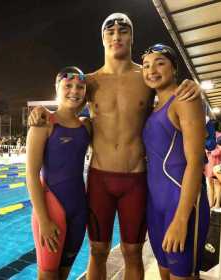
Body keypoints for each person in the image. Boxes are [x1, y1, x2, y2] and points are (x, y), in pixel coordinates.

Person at [28, 13, 203, 279]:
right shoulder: (89, 81)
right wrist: (41, 111)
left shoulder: (145, 77)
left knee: (133, 253)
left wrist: (194, 84)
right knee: (97, 251)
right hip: (100, 179)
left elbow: (172, 91)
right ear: (103, 38)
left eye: (123, 30)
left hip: (136, 179)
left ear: (132, 37)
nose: (117, 35)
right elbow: (67, 107)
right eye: (110, 31)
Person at [142, 43, 210, 279]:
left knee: (183, 275)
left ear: (174, 69)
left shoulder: (185, 99)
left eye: (160, 63)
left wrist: (181, 219)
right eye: (147, 65)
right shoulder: (152, 108)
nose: (152, 70)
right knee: (164, 272)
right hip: (155, 205)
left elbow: (195, 162)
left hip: (182, 203)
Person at [26, 66, 91, 280]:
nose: (74, 91)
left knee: (63, 274)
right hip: (51, 209)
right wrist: (44, 220)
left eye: (80, 87)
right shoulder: (44, 124)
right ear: (57, 88)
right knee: (47, 274)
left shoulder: (87, 126)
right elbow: (31, 174)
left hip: (79, 209)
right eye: (68, 85)